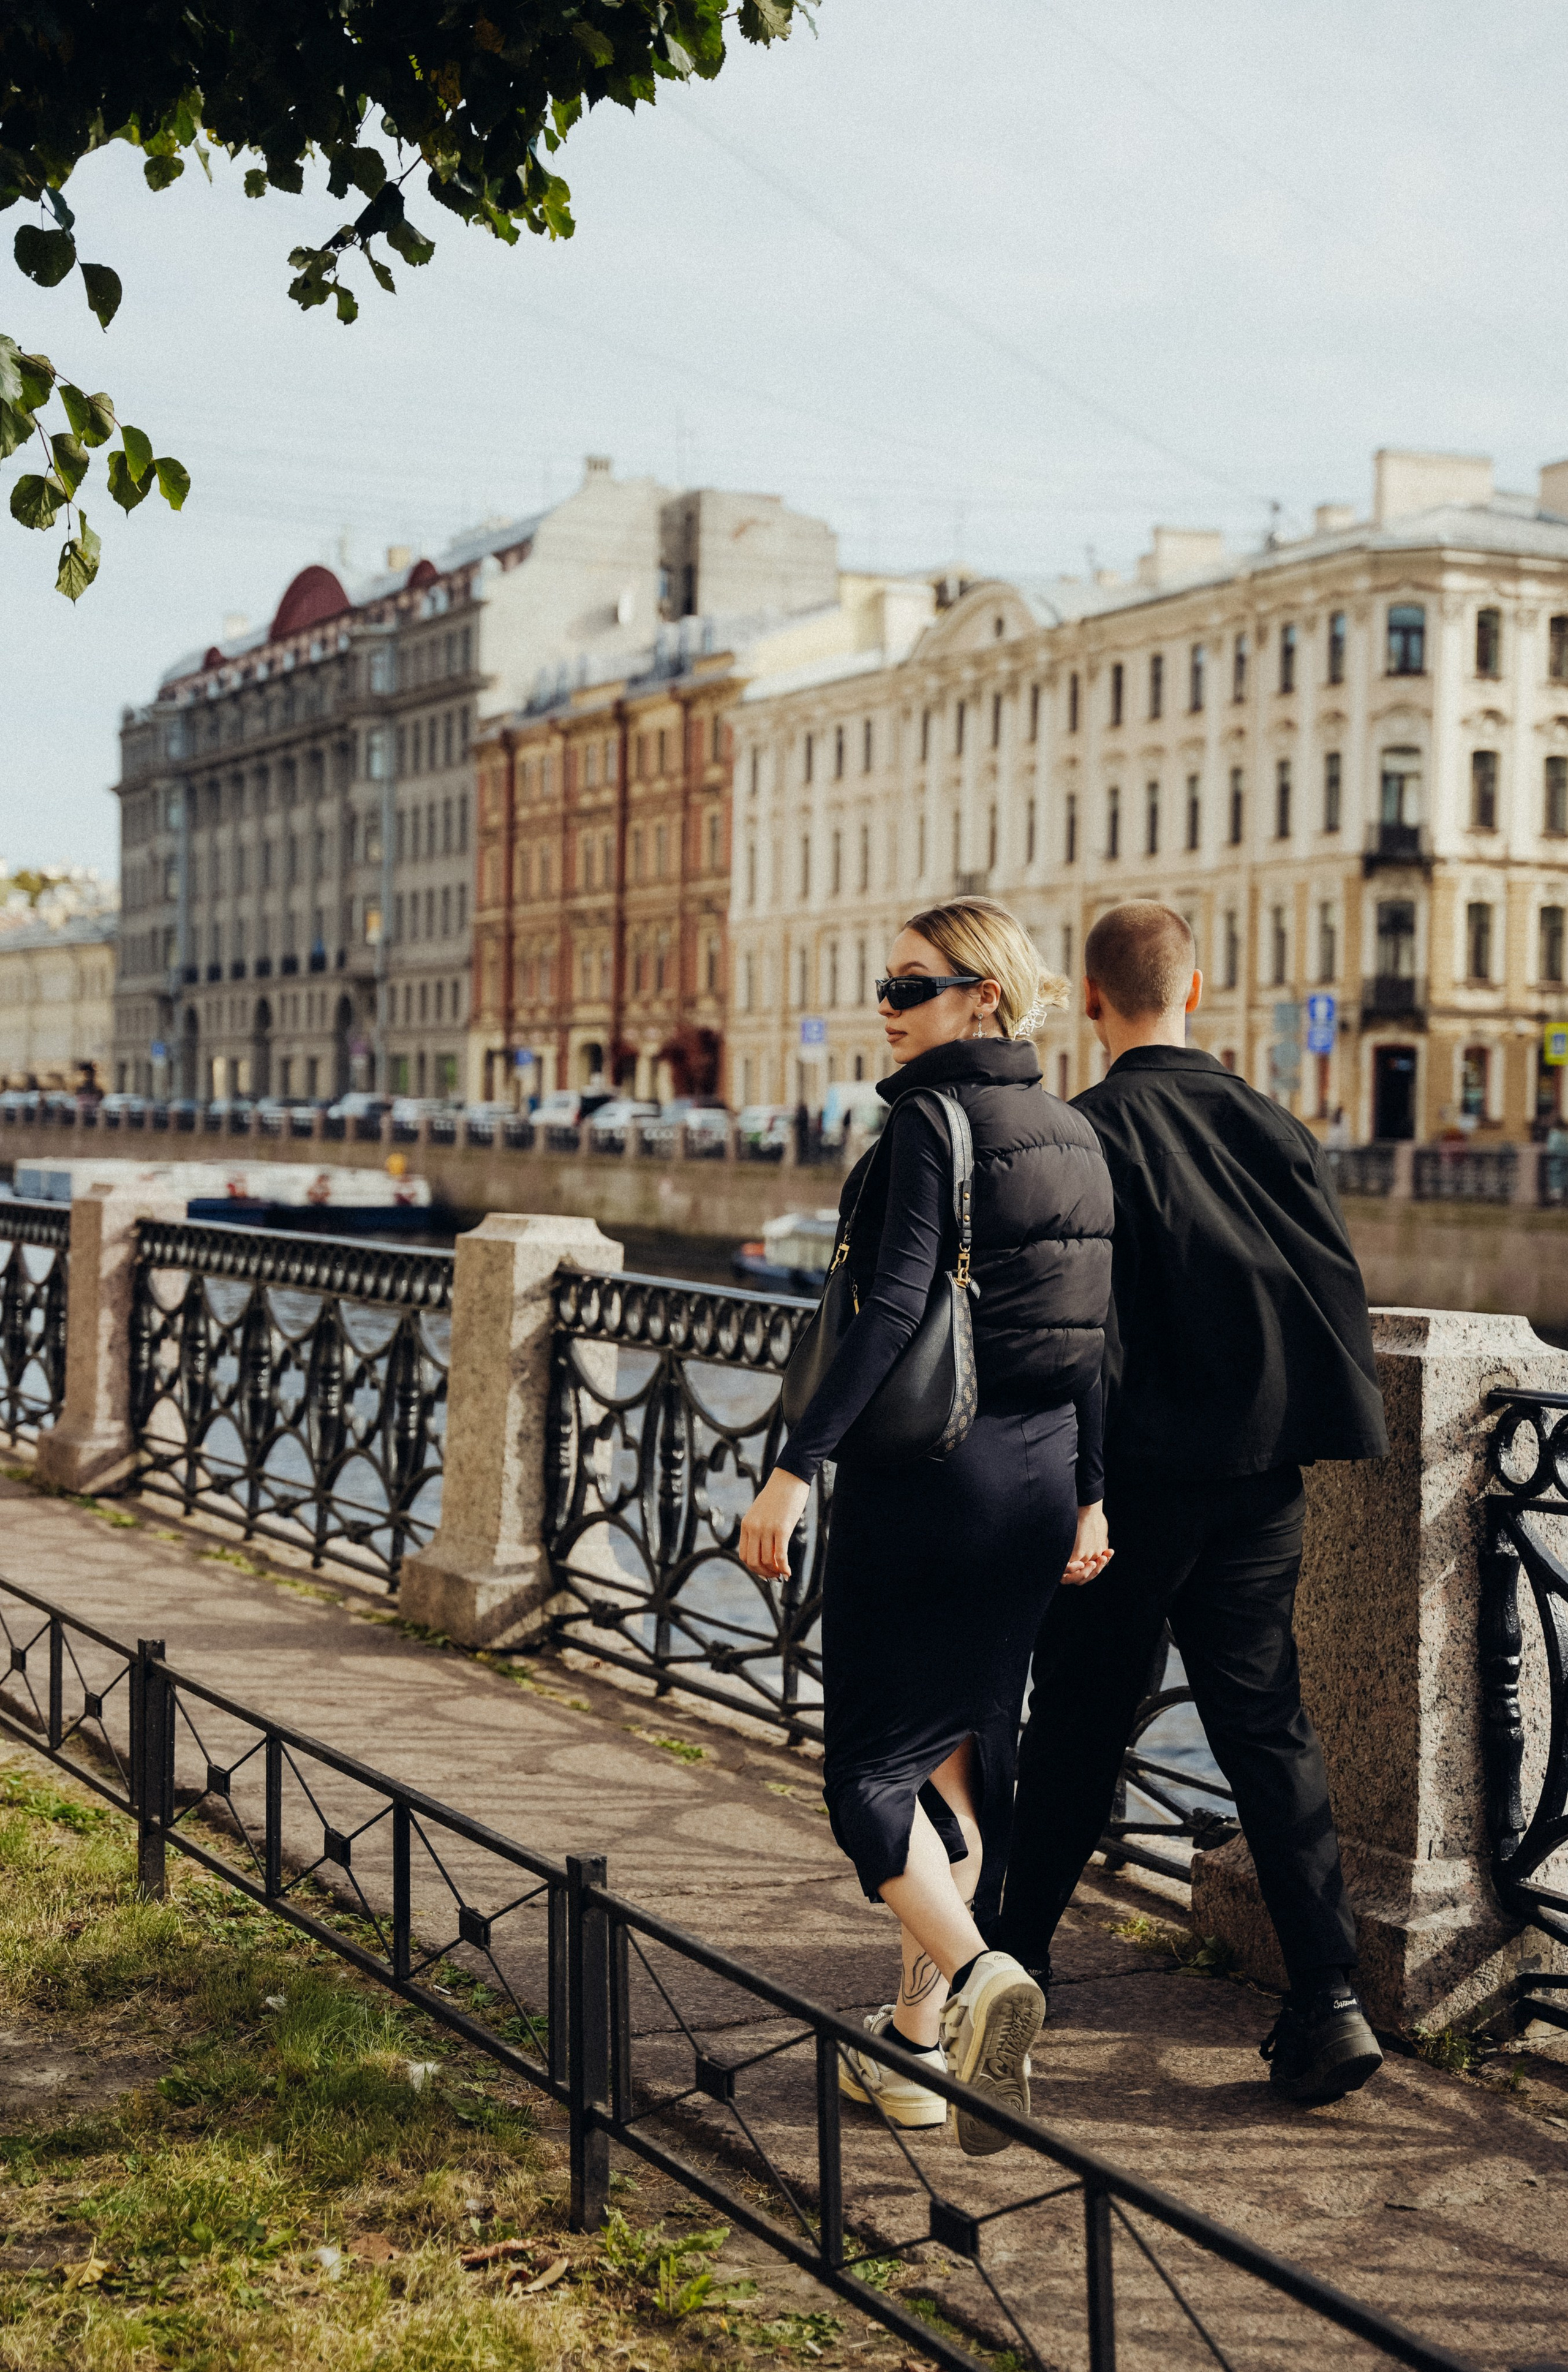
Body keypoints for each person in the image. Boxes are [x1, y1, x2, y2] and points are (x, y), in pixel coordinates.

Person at [993, 901, 1390, 2106]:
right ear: (1196, 992)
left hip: (1131, 1492)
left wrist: (1082, 1490)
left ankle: (1013, 1961)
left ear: (1094, 1002)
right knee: (1265, 1728)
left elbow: (1079, 1337)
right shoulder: (1274, 1124)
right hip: (1259, 1481)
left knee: (1072, 1725)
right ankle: (1325, 1996)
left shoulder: (1083, 1132)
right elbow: (1325, 1286)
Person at [738, 897, 1114, 2154]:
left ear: (981, 998)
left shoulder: (927, 1127)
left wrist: (795, 1465)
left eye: (909, 987)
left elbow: (890, 1308)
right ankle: (907, 2054)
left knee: (866, 1778)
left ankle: (981, 1976)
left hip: (929, 1489)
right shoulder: (1072, 1128)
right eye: (884, 984)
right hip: (1037, 1485)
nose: (883, 1007)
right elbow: (1099, 1342)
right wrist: (1095, 1491)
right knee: (954, 1770)